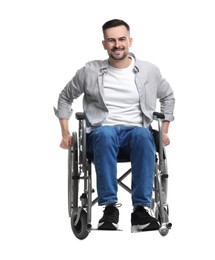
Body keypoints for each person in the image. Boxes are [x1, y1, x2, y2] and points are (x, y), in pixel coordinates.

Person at [54, 19, 175, 232]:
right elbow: (65, 97)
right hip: (100, 137)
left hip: (136, 138)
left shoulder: (149, 71)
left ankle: (140, 210)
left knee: (141, 134)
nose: (117, 45)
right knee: (106, 133)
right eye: (111, 40)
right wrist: (65, 133)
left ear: (130, 41)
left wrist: (164, 130)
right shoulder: (89, 71)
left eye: (121, 39)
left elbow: (168, 96)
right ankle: (110, 208)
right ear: (104, 44)